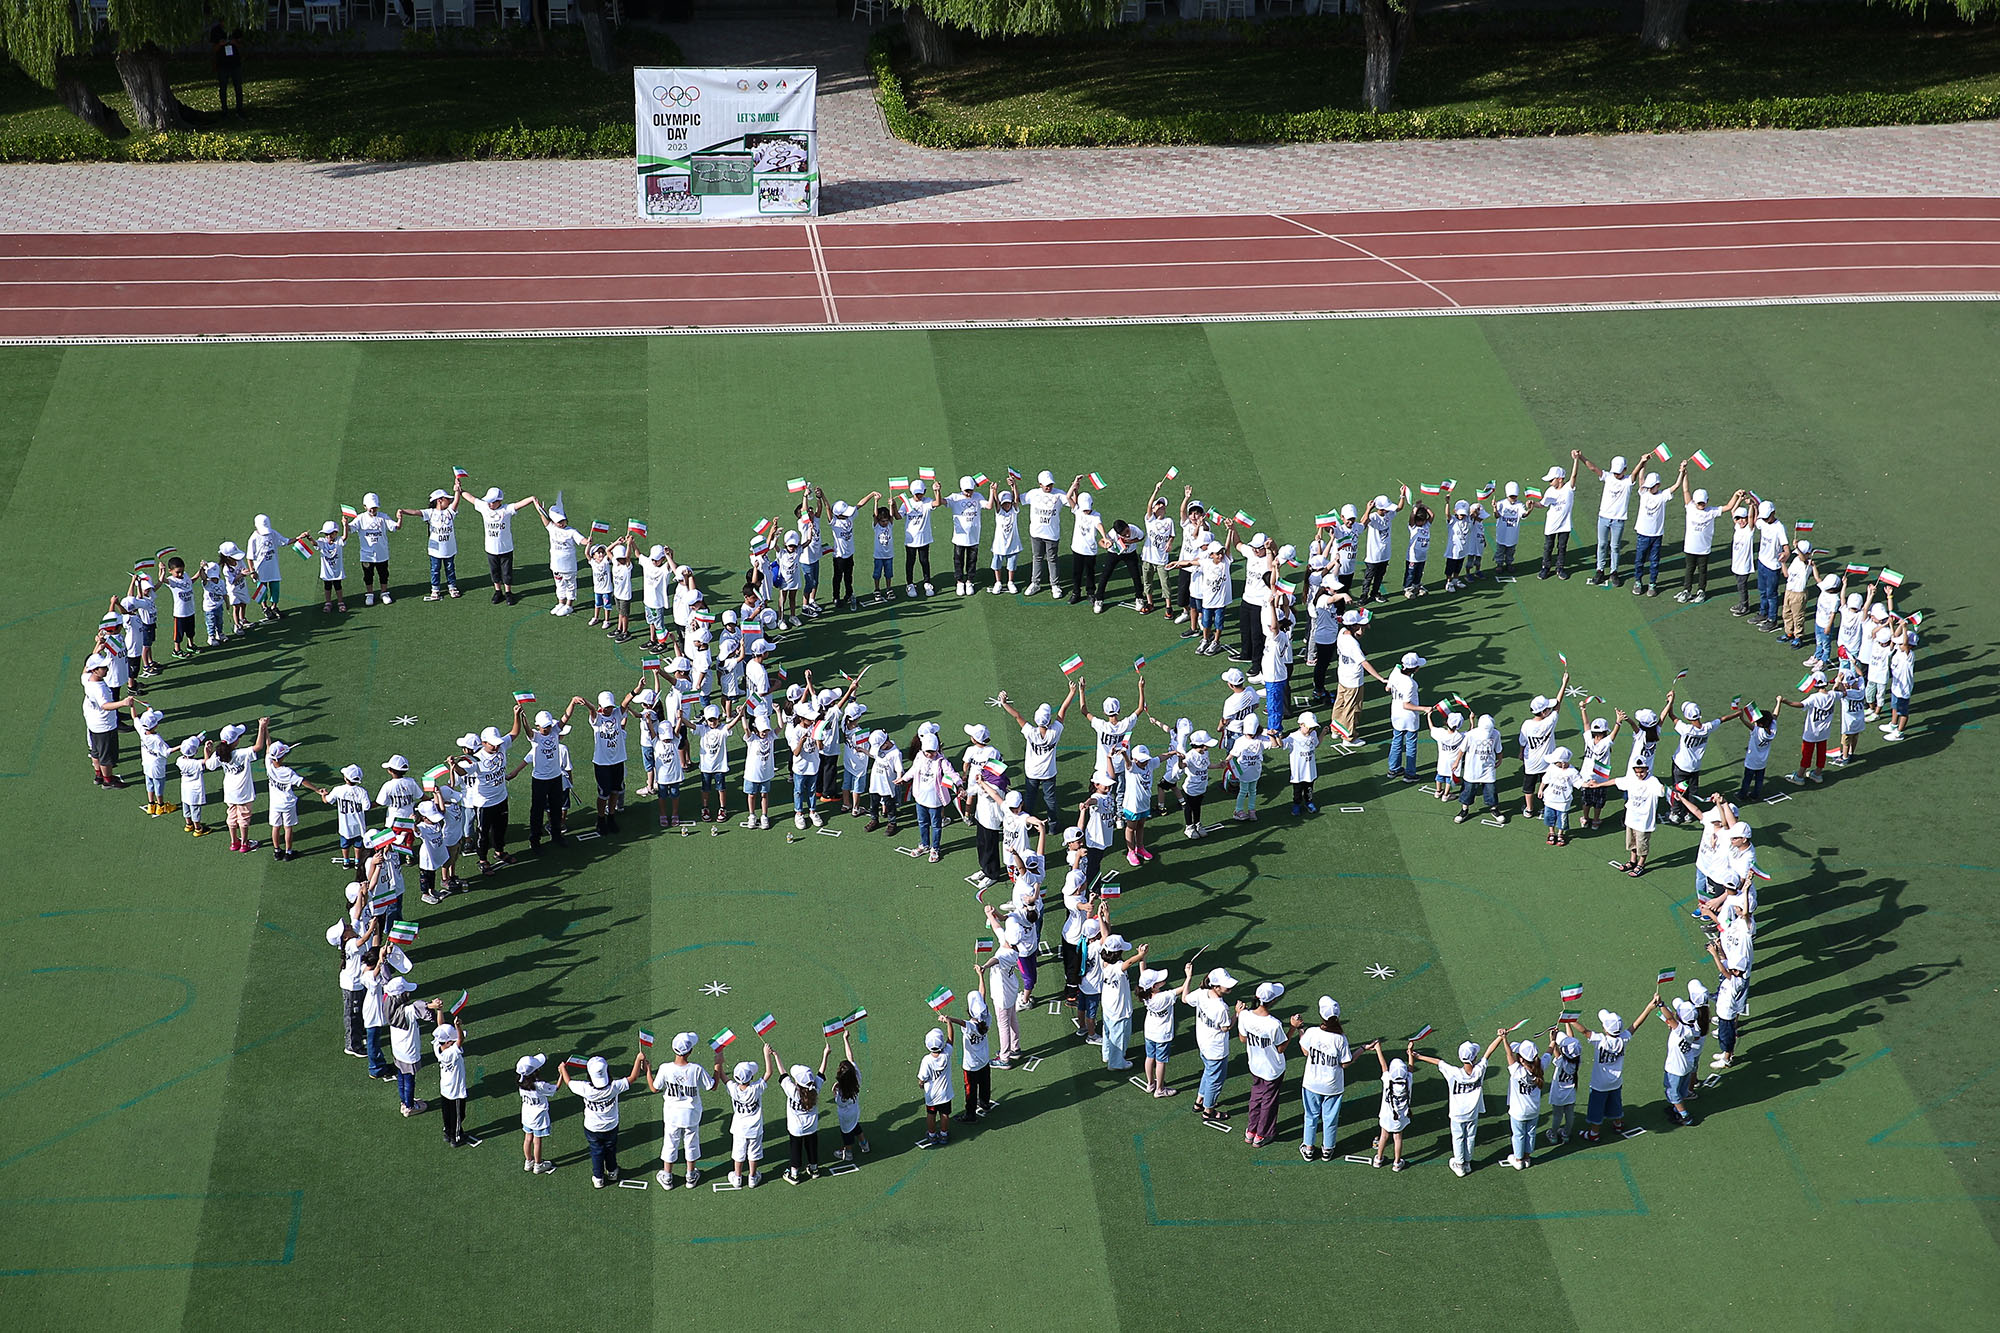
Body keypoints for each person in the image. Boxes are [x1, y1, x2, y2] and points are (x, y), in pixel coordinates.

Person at [1412, 1033, 1504, 1176]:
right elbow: (1488, 1052)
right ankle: (1467, 1162)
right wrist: (1500, 1037)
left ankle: (1460, 1164)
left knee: (1458, 1137)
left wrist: (1418, 1056)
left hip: (1457, 1113)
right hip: (1473, 1113)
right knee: (1470, 1136)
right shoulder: (1480, 1070)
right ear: (1474, 1058)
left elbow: (1438, 1061)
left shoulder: (1453, 1072)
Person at [559, 1052, 642, 1188]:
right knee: (610, 1149)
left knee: (596, 1151)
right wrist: (638, 1059)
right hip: (611, 1126)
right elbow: (633, 1077)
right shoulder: (614, 1087)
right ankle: (612, 1171)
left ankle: (598, 1177)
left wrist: (563, 1069)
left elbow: (568, 1082)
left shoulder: (585, 1088)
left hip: (592, 1128)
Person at [648, 1031, 718, 1190]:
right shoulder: (696, 1069)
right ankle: (691, 1175)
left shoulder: (665, 1068)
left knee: (670, 1144)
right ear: (690, 1051)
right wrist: (717, 1066)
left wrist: (647, 1070)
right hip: (691, 1115)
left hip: (672, 1115)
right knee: (692, 1144)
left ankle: (667, 1176)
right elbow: (712, 1086)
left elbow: (654, 1088)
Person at [1294, 996, 1351, 1161]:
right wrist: (1362, 1049)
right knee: (1330, 1118)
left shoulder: (1312, 1032)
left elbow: (1305, 1051)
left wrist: (1300, 1029)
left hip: (1311, 1083)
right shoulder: (1340, 1038)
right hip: (1333, 1086)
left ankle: (1309, 1147)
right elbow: (1345, 1063)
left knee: (1310, 1116)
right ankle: (1328, 1148)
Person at [1575, 1007, 1643, 1142]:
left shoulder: (1600, 1040)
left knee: (1597, 1108)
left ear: (1606, 1029)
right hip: (1616, 1082)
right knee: (1616, 1102)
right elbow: (1636, 1024)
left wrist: (1570, 1020)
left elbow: (1584, 1031)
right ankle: (1618, 1124)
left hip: (1599, 1084)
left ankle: (1594, 1133)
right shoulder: (1623, 1039)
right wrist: (1649, 1007)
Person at [1235, 981, 1289, 1148]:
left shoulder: (1244, 1015)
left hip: (1255, 1065)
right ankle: (1262, 1134)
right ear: (1272, 1001)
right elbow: (1281, 1048)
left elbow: (1243, 1038)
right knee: (1269, 1102)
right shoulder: (1274, 1024)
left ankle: (1251, 1130)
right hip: (1272, 1068)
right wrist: (1293, 1028)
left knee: (1256, 1097)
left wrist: (1238, 1014)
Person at [1183, 964, 1237, 1125]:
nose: (1229, 987)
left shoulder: (1201, 993)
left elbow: (1185, 999)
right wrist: (1238, 1014)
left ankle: (1200, 1100)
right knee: (1216, 1080)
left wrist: (1188, 977)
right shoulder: (1221, 1008)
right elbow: (1226, 1027)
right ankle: (1209, 1110)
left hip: (1203, 1043)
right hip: (1216, 1049)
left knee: (1208, 1072)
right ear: (1216, 986)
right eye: (1225, 985)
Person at [467, 484, 536, 605]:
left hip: (506, 548)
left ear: (499, 501)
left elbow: (519, 504)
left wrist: (532, 499)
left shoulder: (506, 510)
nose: (490, 504)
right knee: (495, 572)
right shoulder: (484, 507)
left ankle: (508, 592)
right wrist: (459, 490)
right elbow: (471, 498)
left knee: (507, 573)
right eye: (488, 502)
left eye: (492, 502)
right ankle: (498, 591)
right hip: (490, 548)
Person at [81, 654, 142, 789]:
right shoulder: (99, 688)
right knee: (106, 756)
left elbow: (85, 669)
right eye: (103, 667)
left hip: (93, 724)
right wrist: (124, 703)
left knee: (96, 751)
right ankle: (108, 780)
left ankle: (99, 775)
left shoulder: (87, 679)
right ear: (95, 670)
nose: (107, 669)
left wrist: (98, 646)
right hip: (104, 726)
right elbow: (105, 706)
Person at [1575, 451, 1634, 586]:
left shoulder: (1628, 481)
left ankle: (1614, 571)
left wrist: (1643, 462)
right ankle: (1600, 570)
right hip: (1603, 517)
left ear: (1625, 470)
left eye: (1619, 472)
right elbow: (1592, 468)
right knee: (1601, 544)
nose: (1616, 475)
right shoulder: (1608, 477)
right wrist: (1581, 457)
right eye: (1615, 472)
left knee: (1615, 547)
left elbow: (1636, 473)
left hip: (1618, 520)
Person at [401, 488, 461, 600]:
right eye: (447, 499)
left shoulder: (449, 512)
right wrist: (403, 511)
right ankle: (435, 589)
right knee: (435, 569)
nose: (449, 501)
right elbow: (415, 512)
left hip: (449, 548)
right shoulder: (431, 513)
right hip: (435, 550)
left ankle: (452, 587)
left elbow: (456, 502)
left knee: (450, 568)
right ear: (439, 500)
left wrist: (457, 490)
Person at [531, 499, 587, 617]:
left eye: (563, 521)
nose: (561, 523)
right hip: (556, 564)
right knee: (559, 583)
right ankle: (561, 603)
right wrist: (538, 507)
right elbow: (543, 516)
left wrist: (587, 541)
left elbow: (581, 540)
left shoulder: (571, 531)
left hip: (569, 565)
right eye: (558, 521)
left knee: (570, 584)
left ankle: (569, 605)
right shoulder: (552, 528)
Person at [1098, 935, 1146, 1072]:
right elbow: (1128, 963)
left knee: (1107, 1031)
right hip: (1119, 1008)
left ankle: (1107, 1055)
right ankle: (1116, 1062)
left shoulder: (1104, 961)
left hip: (1108, 1004)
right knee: (1119, 1035)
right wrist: (1140, 955)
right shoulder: (1117, 967)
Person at [1657, 996, 1706, 1126]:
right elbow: (1671, 1020)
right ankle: (1676, 1109)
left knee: (1672, 1091)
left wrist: (1661, 1004)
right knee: (1681, 1090)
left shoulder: (1682, 1029)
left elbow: (1670, 1018)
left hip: (1675, 1067)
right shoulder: (1693, 1029)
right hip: (1686, 1065)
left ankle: (1685, 1116)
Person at [1629, 465, 1677, 595]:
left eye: (1652, 486)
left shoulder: (1663, 496)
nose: (1650, 488)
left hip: (1656, 535)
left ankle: (1652, 584)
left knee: (1654, 562)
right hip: (1642, 534)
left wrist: (1682, 472)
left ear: (1658, 485)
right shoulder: (1644, 492)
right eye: (1648, 486)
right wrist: (1644, 463)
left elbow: (1675, 486)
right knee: (1639, 560)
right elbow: (1640, 477)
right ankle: (1638, 581)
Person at [1367, 1040, 1415, 1171]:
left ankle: (1378, 1159)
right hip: (1401, 1116)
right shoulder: (1408, 1080)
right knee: (1398, 1138)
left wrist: (1378, 1049)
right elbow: (1411, 1067)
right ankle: (1397, 1162)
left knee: (1383, 1136)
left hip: (1386, 1115)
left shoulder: (1388, 1080)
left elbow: (1383, 1066)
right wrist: (1410, 1052)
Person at [725, 1055, 768, 1188]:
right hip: (755, 1128)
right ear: (751, 1077)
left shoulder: (732, 1088)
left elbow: (723, 1077)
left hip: (739, 1129)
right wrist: (766, 1054)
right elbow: (769, 1072)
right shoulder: (756, 1088)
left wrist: (719, 1060)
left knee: (738, 1153)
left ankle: (737, 1177)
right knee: (753, 1153)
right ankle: (753, 1177)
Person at [1502, 1037, 1546, 1168]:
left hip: (1518, 1112)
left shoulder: (1517, 1070)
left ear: (1521, 1059)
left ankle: (1518, 1159)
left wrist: (1504, 1039)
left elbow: (1508, 1054)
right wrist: (1552, 1041)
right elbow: (1549, 1052)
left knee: (1518, 1135)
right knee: (1530, 1133)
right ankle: (1527, 1157)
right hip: (1534, 1110)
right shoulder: (1541, 1066)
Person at [1534, 456, 1580, 579]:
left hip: (1564, 525)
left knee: (1562, 547)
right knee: (1548, 547)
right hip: (1551, 525)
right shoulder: (1549, 491)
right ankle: (1546, 568)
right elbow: (1542, 504)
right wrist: (1533, 504)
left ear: (1560, 479)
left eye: (1551, 480)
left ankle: (1560, 568)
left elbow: (1574, 476)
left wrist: (1576, 459)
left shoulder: (1568, 489)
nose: (1549, 482)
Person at [351, 493, 401, 606]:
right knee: (368, 575)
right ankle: (370, 594)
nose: (373, 509)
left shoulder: (383, 517)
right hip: (366, 555)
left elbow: (395, 527)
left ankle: (384, 593)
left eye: (375, 507)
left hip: (381, 553)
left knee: (383, 574)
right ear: (365, 506)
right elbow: (351, 529)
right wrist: (345, 524)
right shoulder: (360, 518)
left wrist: (399, 518)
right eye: (370, 507)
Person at [1384, 652, 1426, 782]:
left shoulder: (1395, 672)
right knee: (1411, 744)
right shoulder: (1411, 683)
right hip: (1409, 717)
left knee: (1396, 740)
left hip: (1395, 713)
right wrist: (1424, 708)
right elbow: (1407, 705)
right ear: (1415, 669)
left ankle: (1393, 769)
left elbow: (1387, 688)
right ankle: (1410, 774)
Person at [1456, 713, 1505, 824]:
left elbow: (1499, 749)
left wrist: (1500, 760)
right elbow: (1462, 749)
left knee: (1491, 789)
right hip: (1472, 768)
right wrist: (1456, 762)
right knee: (1468, 790)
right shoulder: (1471, 735)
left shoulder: (1496, 734)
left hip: (1488, 768)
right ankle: (1464, 810)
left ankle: (1494, 809)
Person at [433, 1016, 474, 1148]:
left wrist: (439, 1011)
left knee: (447, 1113)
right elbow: (461, 1040)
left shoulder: (437, 1046)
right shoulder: (451, 1053)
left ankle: (447, 1131)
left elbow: (440, 1027)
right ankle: (456, 1137)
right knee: (458, 1115)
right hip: (455, 1090)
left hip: (445, 1088)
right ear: (449, 1042)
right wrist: (458, 1026)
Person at [1138, 965, 1178, 1097]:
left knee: (1149, 1058)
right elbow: (1182, 989)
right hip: (1162, 1035)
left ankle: (1150, 1084)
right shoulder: (1164, 997)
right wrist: (1188, 975)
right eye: (1159, 981)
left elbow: (1143, 974)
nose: (1163, 981)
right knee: (1160, 1062)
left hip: (1150, 1032)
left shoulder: (1145, 993)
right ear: (1153, 986)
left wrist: (1142, 958)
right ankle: (1159, 1089)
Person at [518, 1054, 558, 1175]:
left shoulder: (520, 1082)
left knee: (527, 1138)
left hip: (526, 1115)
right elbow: (555, 1089)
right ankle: (538, 1165)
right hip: (538, 1117)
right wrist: (561, 1074)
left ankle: (528, 1161)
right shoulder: (540, 1085)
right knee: (537, 1140)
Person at [1545, 1027, 1581, 1145]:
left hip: (1558, 1094)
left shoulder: (1561, 1061)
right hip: (1570, 1093)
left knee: (1557, 1116)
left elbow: (1556, 1051)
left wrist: (1553, 1039)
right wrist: (1567, 1023)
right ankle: (1566, 1134)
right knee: (1570, 1114)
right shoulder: (1577, 1061)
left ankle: (1554, 1135)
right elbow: (1572, 1040)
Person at [210, 24, 244, 114]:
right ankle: (224, 109)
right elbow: (213, 49)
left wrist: (234, 43)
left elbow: (241, 46)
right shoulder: (216, 31)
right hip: (222, 64)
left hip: (235, 63)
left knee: (238, 87)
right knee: (223, 87)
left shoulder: (236, 29)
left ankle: (239, 109)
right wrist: (220, 44)